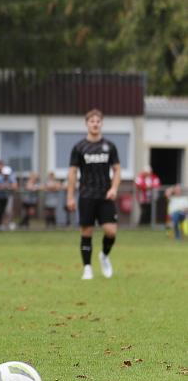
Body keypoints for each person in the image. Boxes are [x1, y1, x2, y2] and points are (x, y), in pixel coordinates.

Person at [66, 109, 120, 280]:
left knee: (111, 231)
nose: (95, 124)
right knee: (86, 232)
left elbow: (117, 169)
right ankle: (87, 268)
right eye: (92, 121)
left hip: (105, 196)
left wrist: (114, 188)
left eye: (98, 121)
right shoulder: (79, 147)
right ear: (86, 124)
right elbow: (72, 173)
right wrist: (70, 196)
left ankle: (104, 255)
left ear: (102, 123)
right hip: (86, 195)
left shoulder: (109, 146)